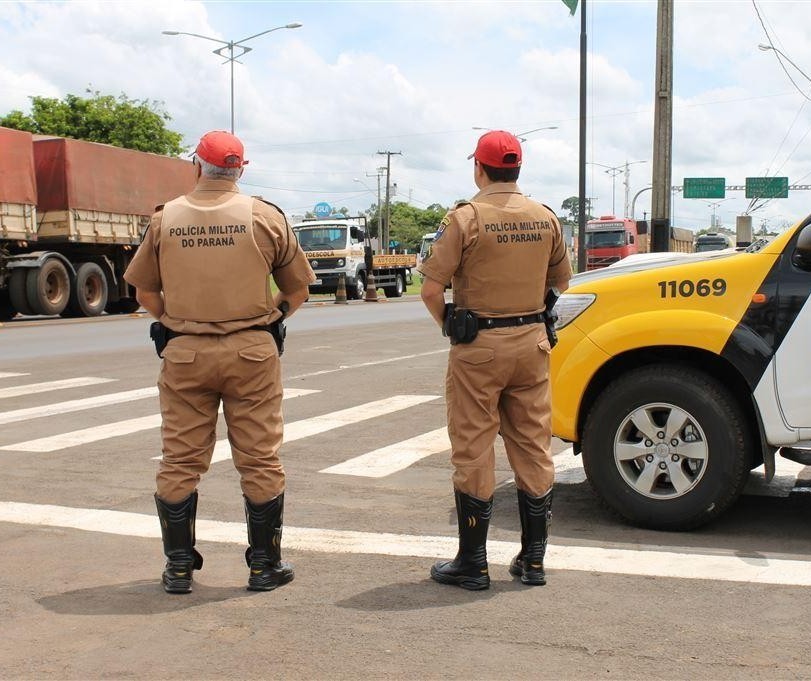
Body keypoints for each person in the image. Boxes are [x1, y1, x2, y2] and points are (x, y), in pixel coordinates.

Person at [124, 130, 315, 594]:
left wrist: (178, 322)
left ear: (197, 165)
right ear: (241, 169)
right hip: (252, 352)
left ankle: (178, 568)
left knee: (180, 459)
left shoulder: (166, 219)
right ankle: (264, 566)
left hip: (185, 352)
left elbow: (144, 291)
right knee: (260, 458)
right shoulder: (265, 217)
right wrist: (270, 320)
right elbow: (298, 289)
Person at [418, 130, 572, 590]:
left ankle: (473, 562)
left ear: (479, 168)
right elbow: (562, 282)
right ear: (517, 169)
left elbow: (429, 289)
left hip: (479, 347)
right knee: (532, 447)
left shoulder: (466, 218)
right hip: (531, 345)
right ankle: (535, 560)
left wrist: (451, 322)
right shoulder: (545, 217)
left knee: (474, 449)